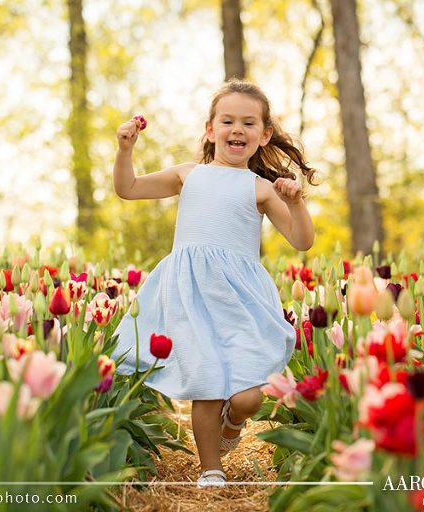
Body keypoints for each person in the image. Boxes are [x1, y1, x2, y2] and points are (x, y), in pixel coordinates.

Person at [111, 79, 318, 488]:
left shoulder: (259, 188)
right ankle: (211, 469)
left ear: (264, 135)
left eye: (248, 122)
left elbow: (302, 240)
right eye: (227, 121)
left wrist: (295, 202)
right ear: (210, 129)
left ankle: (233, 424)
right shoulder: (189, 175)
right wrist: (125, 151)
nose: (236, 129)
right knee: (207, 382)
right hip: (190, 291)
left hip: (239, 297)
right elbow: (128, 188)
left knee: (247, 397)